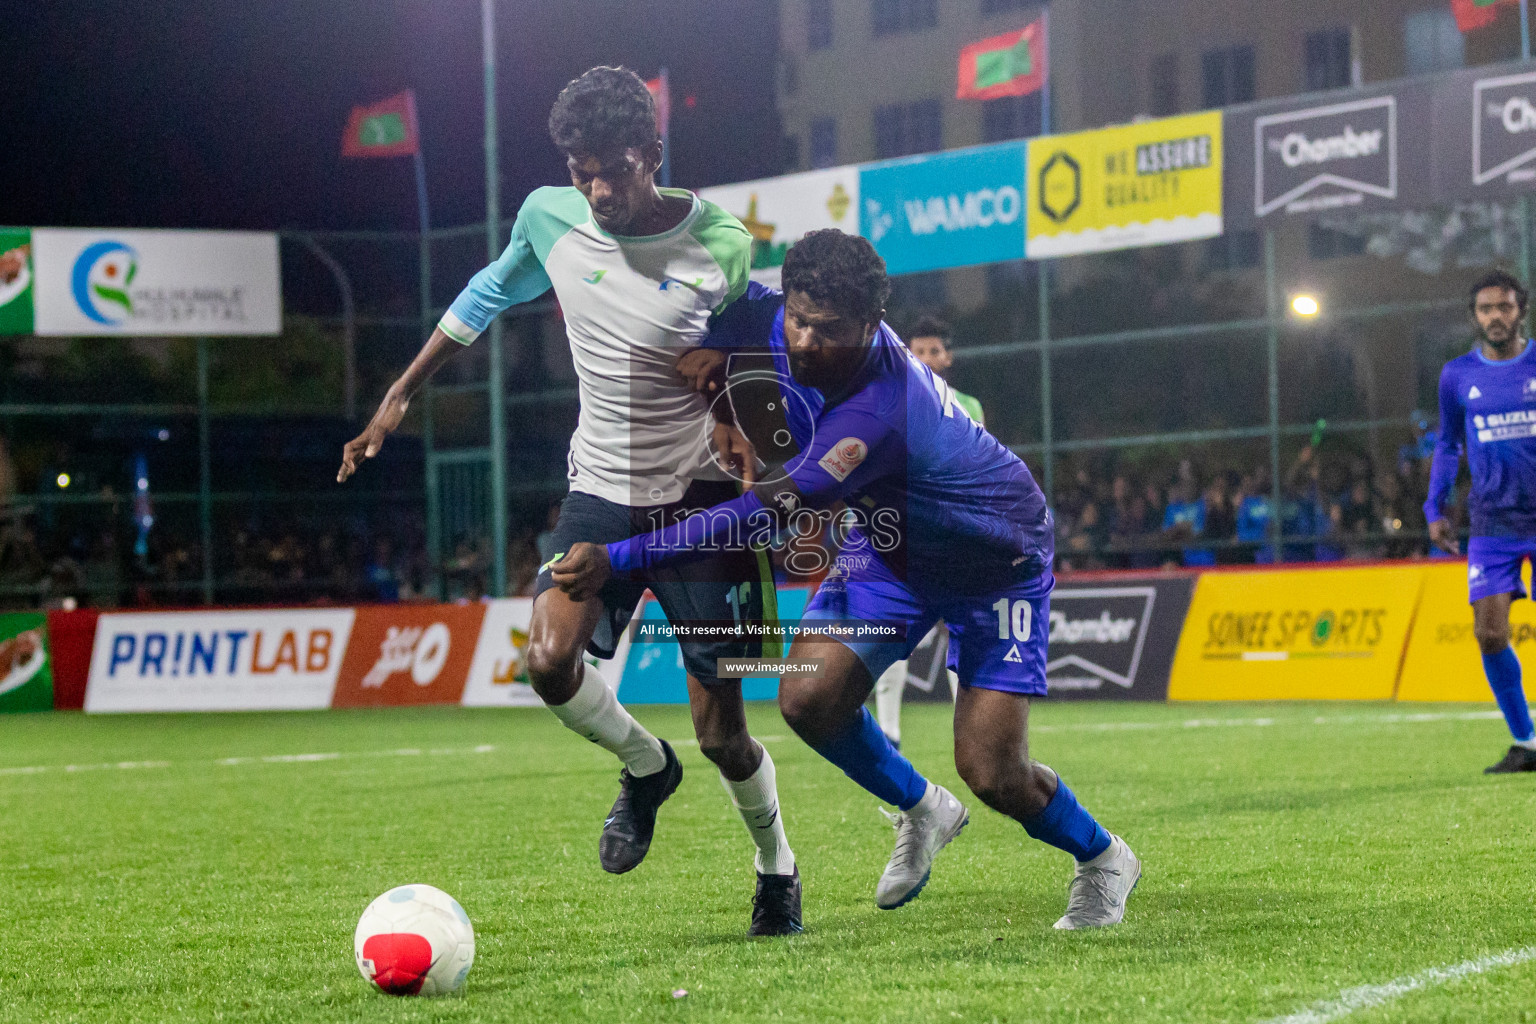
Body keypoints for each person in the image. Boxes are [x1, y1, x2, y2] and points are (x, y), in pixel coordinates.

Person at [552, 230, 1140, 928]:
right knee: (806, 699)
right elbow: (676, 311)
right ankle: (924, 810)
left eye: (827, 330)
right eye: (798, 319)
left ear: (870, 326)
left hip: (995, 563)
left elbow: (765, 512)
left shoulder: (877, 411)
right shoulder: (768, 315)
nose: (803, 340)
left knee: (994, 773)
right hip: (893, 555)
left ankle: (1103, 858)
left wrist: (621, 557)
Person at [338, 66, 801, 934]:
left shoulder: (723, 244)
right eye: (581, 169)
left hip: (700, 505)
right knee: (549, 661)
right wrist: (400, 392)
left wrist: (763, 459)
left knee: (724, 735)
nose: (596, 190)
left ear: (652, 157)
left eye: (613, 170)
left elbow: (755, 353)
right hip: (599, 488)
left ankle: (776, 866)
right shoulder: (551, 217)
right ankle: (643, 766)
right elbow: (486, 291)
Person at [1426, 269, 1536, 774]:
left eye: (1505, 307)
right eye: (1487, 309)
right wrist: (1435, 507)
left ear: (1521, 310)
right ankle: (1526, 742)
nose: (1496, 316)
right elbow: (1448, 445)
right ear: (1475, 316)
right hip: (1491, 524)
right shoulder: (1457, 376)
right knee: (1491, 635)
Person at [871, 315, 979, 746]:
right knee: (894, 629)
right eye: (919, 350)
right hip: (905, 532)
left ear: (947, 356)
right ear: (907, 355)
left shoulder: (969, 406)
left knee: (959, 628)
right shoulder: (891, 404)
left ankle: (968, 729)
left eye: (934, 350)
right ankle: (889, 732)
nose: (927, 357)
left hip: (953, 533)